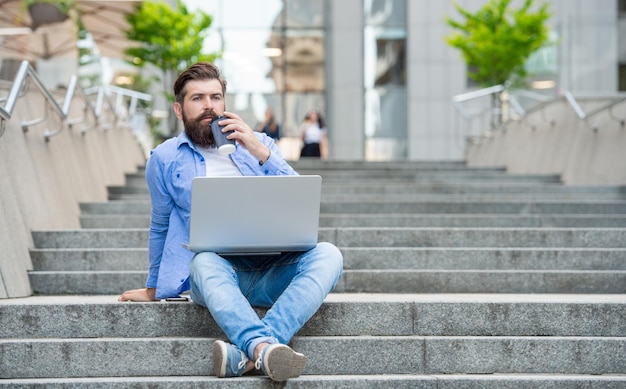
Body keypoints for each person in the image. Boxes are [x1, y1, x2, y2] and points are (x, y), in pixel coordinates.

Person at [117, 62, 343, 382]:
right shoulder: (164, 158)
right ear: (179, 110)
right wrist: (155, 288)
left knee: (330, 253)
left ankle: (253, 352)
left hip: (270, 272)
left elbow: (297, 196)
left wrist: (258, 149)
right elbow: (160, 224)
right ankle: (265, 348)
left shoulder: (260, 143)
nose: (209, 105)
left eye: (216, 97)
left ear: (225, 102)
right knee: (203, 261)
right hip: (216, 277)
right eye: (198, 98)